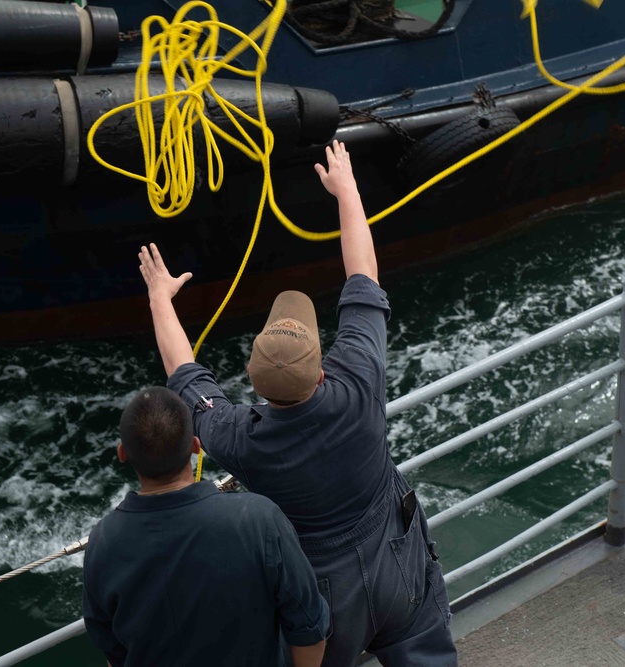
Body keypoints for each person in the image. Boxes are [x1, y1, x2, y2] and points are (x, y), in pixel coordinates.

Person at [138, 139, 457, 666]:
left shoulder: (242, 438)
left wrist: (159, 297)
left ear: (255, 382)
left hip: (326, 596)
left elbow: (185, 377)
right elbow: (363, 278)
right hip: (396, 556)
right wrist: (346, 191)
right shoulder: (359, 381)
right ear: (321, 363)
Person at [81, 386, 329, 667]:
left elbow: (112, 650)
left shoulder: (102, 542)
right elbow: (309, 628)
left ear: (122, 453)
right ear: (195, 447)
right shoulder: (258, 519)